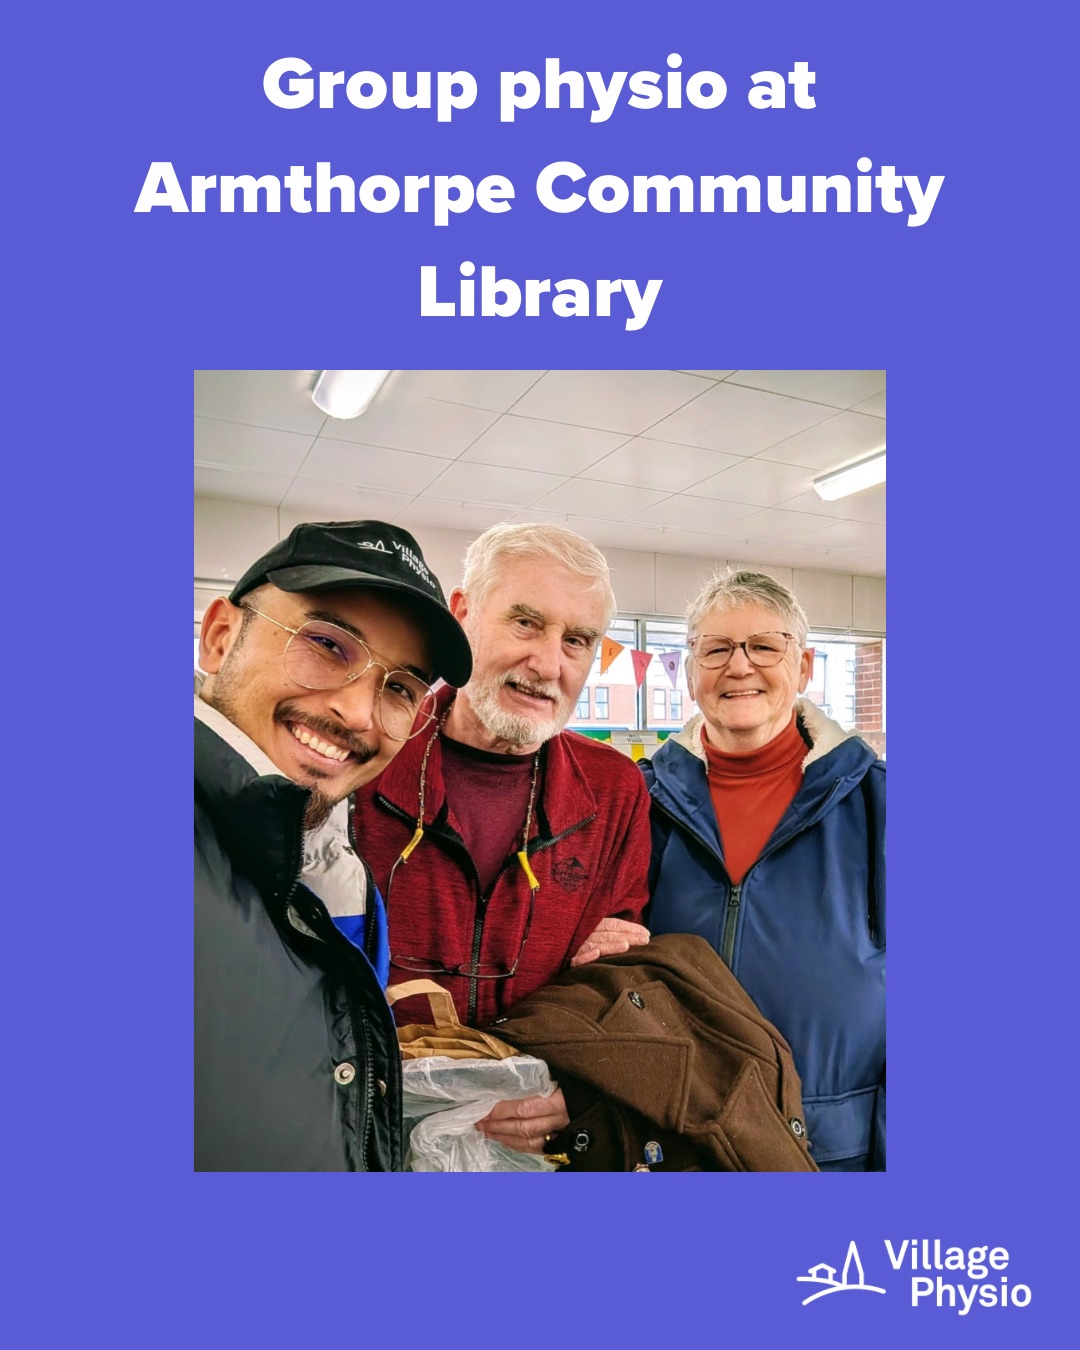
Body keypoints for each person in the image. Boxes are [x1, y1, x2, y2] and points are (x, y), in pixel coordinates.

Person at [353, 522, 652, 1153]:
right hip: (362, 1126)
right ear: (461, 614)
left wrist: (579, 1087)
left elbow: (615, 990)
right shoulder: (365, 755)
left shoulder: (615, 790)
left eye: (577, 640)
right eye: (525, 622)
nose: (548, 664)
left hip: (531, 1144)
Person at [195, 519, 472, 1171]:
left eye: (401, 687)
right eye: (326, 644)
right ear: (219, 636)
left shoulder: (338, 868)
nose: (357, 713)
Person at [642, 569, 885, 1171]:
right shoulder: (638, 803)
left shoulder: (881, 803)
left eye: (765, 646)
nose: (739, 666)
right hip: (673, 1145)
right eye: (716, 649)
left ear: (802, 668)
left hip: (830, 1153)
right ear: (690, 670)